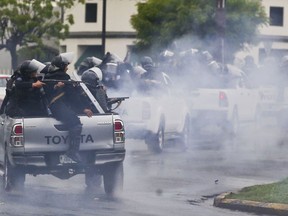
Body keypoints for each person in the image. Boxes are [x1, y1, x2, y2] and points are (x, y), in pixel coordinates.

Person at [44, 52, 93, 163]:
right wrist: (83, 108)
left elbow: (47, 92)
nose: (67, 68)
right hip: (57, 106)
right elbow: (72, 96)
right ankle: (73, 152)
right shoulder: (63, 77)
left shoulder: (48, 77)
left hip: (54, 106)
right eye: (66, 65)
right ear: (61, 66)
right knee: (75, 123)